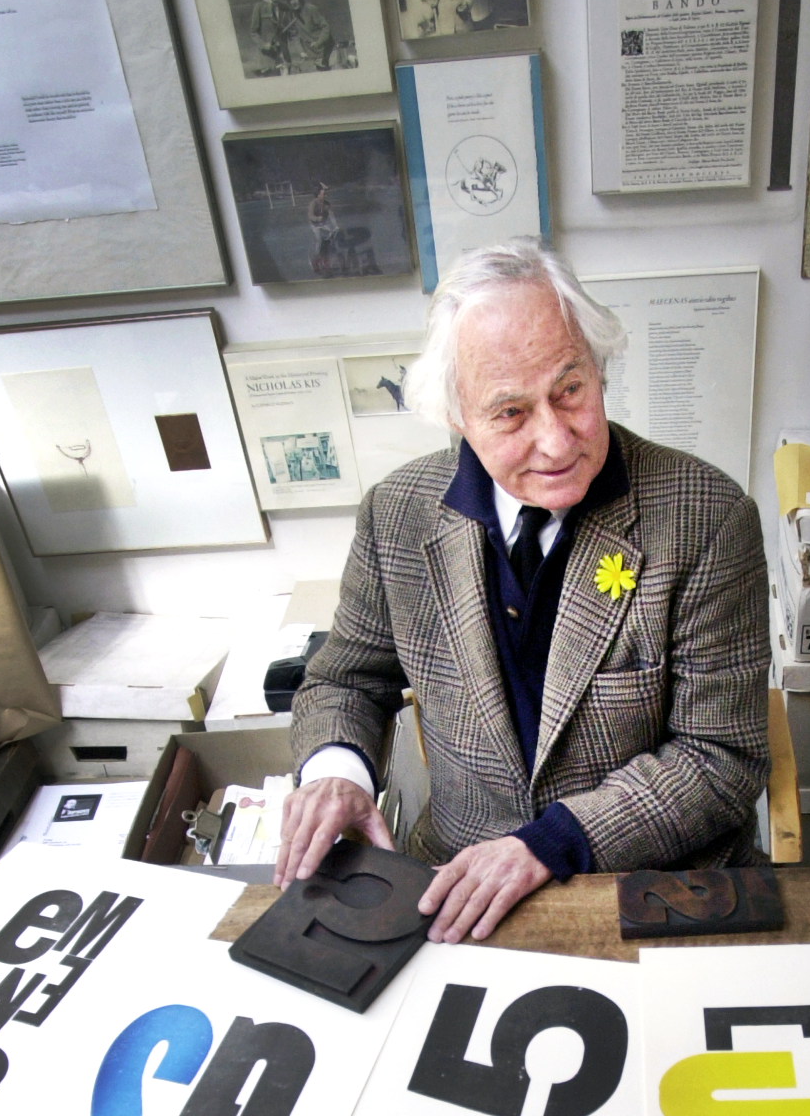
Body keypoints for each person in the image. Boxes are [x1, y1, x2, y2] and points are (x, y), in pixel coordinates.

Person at [276, 237, 769, 944]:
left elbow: (722, 758)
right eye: (510, 413)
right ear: (457, 416)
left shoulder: (707, 518)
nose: (558, 440)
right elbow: (344, 682)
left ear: (598, 369)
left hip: (655, 887)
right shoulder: (397, 515)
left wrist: (552, 842)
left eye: (571, 390)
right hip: (454, 887)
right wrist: (337, 771)